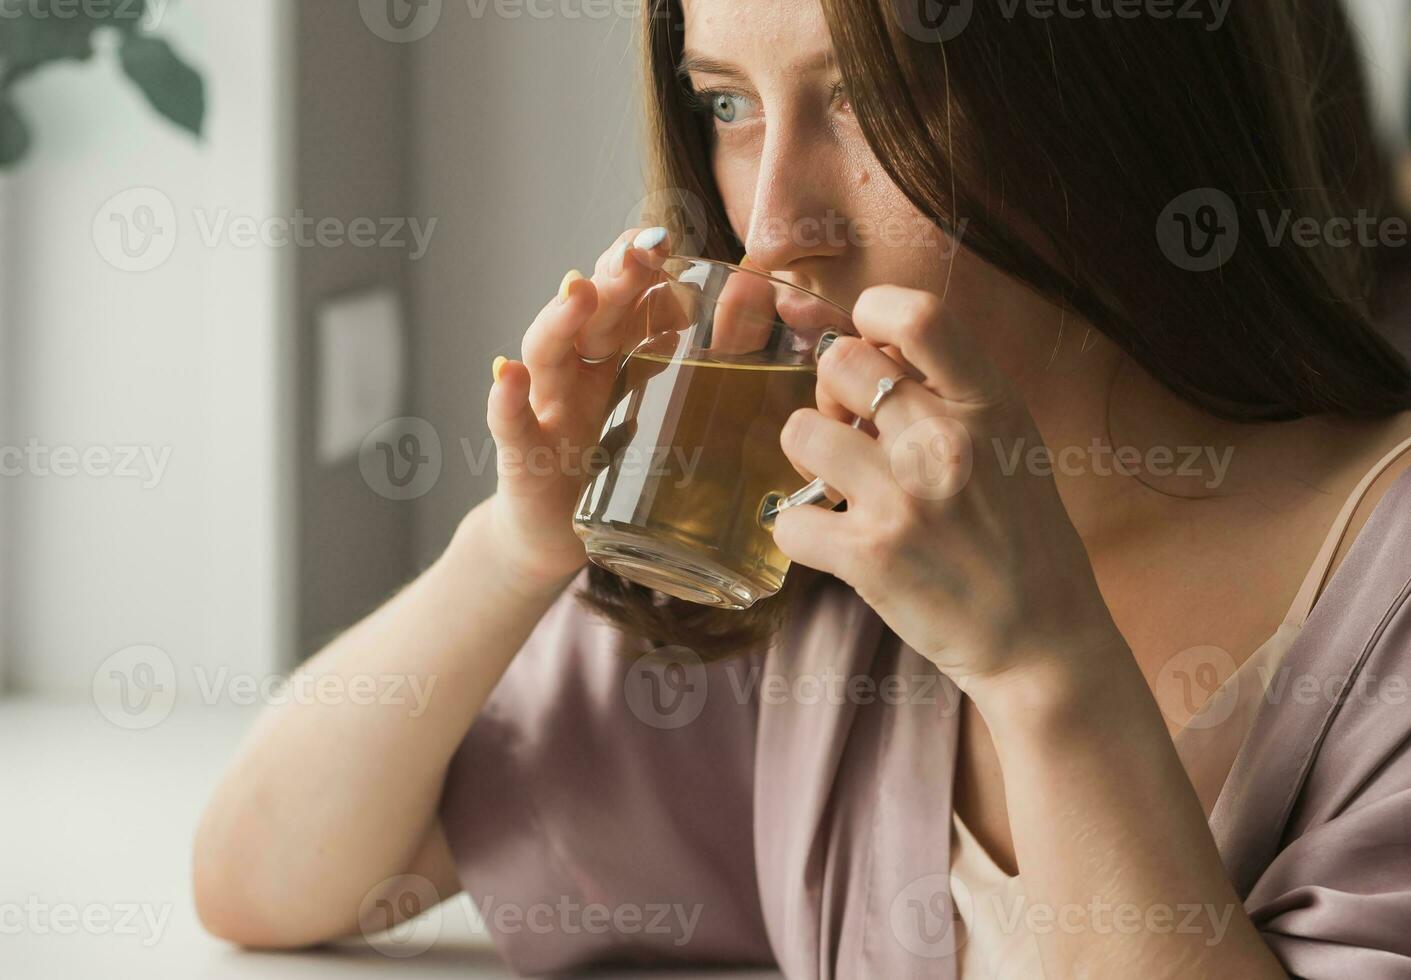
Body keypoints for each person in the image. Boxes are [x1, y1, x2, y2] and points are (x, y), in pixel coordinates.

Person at [192, 1, 1411, 976]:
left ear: (1109, 105)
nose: (774, 223)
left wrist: (1044, 673)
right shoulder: (823, 560)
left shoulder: (1379, 592)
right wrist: (516, 546)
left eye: (870, 101)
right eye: (725, 103)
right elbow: (265, 872)